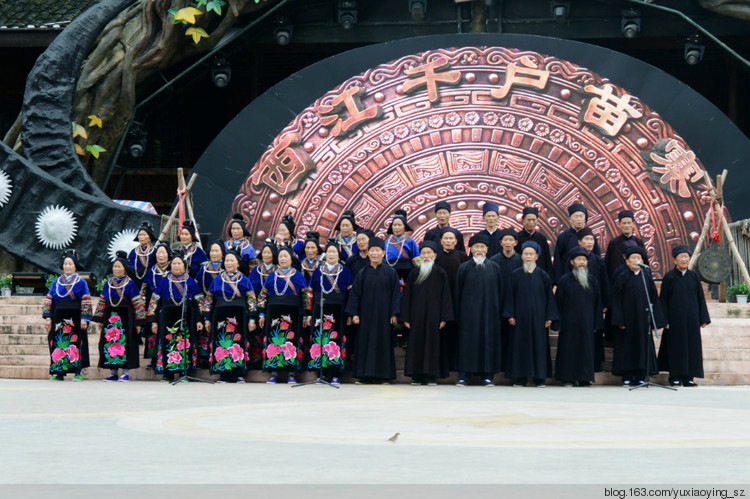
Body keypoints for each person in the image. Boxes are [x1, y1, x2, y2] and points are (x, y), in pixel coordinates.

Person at [344, 236, 401, 384]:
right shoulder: (362, 273)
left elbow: (396, 294)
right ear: (368, 253)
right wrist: (354, 313)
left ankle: (384, 376)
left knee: (383, 343)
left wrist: (394, 313)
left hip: (384, 316)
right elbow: (355, 294)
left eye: (377, 251)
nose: (374, 254)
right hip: (365, 315)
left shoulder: (390, 272)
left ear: (383, 253)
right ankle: (364, 376)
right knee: (364, 343)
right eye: (372, 251)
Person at [504, 241, 558, 387]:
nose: (528, 256)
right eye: (525, 254)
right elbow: (509, 296)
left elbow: (549, 298)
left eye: (531, 254)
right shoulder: (515, 275)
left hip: (539, 319)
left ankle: (539, 378)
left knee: (539, 347)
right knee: (519, 347)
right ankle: (520, 378)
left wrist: (549, 317)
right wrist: (510, 315)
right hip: (519, 319)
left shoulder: (544, 276)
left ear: (537, 256)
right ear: (522, 256)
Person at [610, 246, 666, 386]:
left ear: (643, 260)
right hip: (627, 320)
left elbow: (654, 298)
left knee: (643, 347)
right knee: (627, 348)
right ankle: (627, 376)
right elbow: (616, 300)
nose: (636, 260)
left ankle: (641, 375)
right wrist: (619, 320)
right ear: (627, 262)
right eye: (633, 258)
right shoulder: (622, 277)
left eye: (638, 258)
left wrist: (655, 322)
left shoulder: (646, 277)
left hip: (643, 319)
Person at [401, 241, 454, 385]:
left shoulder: (441, 273)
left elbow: (446, 297)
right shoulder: (414, 273)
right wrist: (405, 317)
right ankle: (416, 376)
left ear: (435, 256)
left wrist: (444, 317)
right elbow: (407, 296)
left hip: (434, 318)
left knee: (433, 345)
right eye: (423, 253)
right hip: (416, 317)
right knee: (416, 345)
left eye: (429, 253)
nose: (426, 256)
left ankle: (431, 376)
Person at [454, 233, 504, 386]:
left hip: (489, 315)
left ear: (487, 249)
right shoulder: (463, 268)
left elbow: (500, 292)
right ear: (471, 249)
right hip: (468, 316)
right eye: (476, 247)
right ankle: (464, 376)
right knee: (466, 344)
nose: (479, 250)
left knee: (487, 344)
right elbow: (458, 292)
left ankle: (487, 376)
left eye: (482, 247)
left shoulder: (495, 268)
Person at [146, 252, 204, 381]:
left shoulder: (191, 281)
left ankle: (184, 373)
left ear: (184, 266)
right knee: (168, 344)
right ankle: (168, 374)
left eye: (179, 263)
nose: (176, 266)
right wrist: (153, 321)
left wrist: (200, 319)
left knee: (186, 343)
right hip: (167, 317)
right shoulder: (163, 281)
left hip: (187, 316)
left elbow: (199, 302)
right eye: (174, 263)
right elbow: (154, 302)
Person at [658, 245, 710, 387]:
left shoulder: (694, 277)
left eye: (686, 256)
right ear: (674, 260)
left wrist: (703, 318)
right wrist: (664, 320)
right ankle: (674, 376)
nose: (683, 259)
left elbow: (700, 298)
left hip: (692, 320)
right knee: (675, 347)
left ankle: (689, 377)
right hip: (674, 321)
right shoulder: (669, 277)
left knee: (691, 347)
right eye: (680, 257)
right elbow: (663, 300)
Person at [202, 251, 257, 383]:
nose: (229, 263)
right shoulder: (217, 280)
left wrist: (252, 319)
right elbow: (209, 300)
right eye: (227, 261)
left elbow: (251, 300)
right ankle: (223, 374)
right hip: (220, 317)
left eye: (232, 260)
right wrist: (207, 318)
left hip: (240, 317)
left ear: (238, 263)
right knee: (222, 343)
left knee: (239, 343)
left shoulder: (244, 280)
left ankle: (239, 373)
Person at [553, 246, 604, 387]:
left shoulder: (593, 281)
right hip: (568, 324)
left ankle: (584, 378)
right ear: (572, 262)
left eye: (584, 260)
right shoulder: (564, 280)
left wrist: (596, 324)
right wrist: (558, 323)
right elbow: (558, 303)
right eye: (579, 259)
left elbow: (597, 304)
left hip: (587, 323)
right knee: (568, 350)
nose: (581, 262)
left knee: (586, 350)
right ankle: (567, 378)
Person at [258, 245, 310, 384]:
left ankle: (292, 374)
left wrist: (306, 315)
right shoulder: (272, 276)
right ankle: (274, 373)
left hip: (293, 313)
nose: (283, 259)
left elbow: (305, 296)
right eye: (280, 256)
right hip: (273, 314)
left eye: (285, 256)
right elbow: (263, 296)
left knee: (292, 341)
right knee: (275, 341)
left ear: (291, 259)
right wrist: (261, 313)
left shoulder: (298, 275)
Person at [92, 252, 146, 382]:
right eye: (115, 266)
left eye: (119, 267)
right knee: (111, 343)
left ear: (125, 269)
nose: (116, 269)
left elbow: (138, 303)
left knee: (126, 343)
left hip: (127, 318)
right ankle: (113, 372)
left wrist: (139, 322)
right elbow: (102, 301)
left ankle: (125, 372)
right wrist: (99, 319)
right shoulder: (108, 283)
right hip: (110, 318)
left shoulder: (131, 284)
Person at [309, 240, 354, 385]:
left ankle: (336, 374)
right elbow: (310, 293)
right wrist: (308, 313)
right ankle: (320, 374)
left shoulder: (345, 271)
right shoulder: (318, 270)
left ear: (338, 255)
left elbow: (350, 293)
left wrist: (349, 313)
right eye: (329, 252)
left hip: (339, 309)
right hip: (320, 309)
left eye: (334, 252)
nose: (332, 254)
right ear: (325, 254)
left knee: (337, 339)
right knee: (320, 339)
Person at [43, 250, 92, 381]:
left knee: (76, 342)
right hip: (58, 317)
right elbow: (49, 300)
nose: (68, 266)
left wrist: (85, 318)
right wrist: (48, 317)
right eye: (65, 264)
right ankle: (59, 372)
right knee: (59, 343)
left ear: (75, 266)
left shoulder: (81, 282)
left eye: (70, 264)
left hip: (75, 317)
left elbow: (86, 300)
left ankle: (78, 371)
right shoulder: (57, 282)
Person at [575, 227, 610, 372]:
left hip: (594, 303)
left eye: (592, 240)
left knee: (596, 333)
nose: (590, 242)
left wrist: (605, 302)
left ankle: (595, 365)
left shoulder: (597, 260)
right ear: (579, 242)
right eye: (587, 239)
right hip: (577, 303)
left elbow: (604, 281)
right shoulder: (573, 259)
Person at [435, 227, 470, 372]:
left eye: (451, 239)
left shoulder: (463, 257)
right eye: (446, 238)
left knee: (457, 333)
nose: (448, 241)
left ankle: (456, 365)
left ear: (456, 241)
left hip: (458, 300)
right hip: (440, 301)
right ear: (441, 241)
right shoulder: (435, 258)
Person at [489, 228, 522, 370]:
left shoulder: (521, 260)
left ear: (515, 242)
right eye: (505, 240)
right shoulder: (493, 261)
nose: (508, 243)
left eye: (511, 240)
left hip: (516, 305)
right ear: (501, 242)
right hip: (497, 302)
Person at [195, 241, 226, 366]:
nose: (214, 253)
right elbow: (197, 286)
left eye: (217, 251)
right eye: (212, 251)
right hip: (206, 302)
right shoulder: (204, 269)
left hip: (222, 302)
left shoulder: (226, 267)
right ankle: (204, 358)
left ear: (223, 253)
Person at [553, 203, 601, 284]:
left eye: (581, 216)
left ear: (585, 219)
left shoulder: (591, 237)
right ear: (570, 219)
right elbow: (558, 261)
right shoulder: (563, 237)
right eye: (576, 216)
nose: (579, 219)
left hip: (589, 278)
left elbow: (597, 258)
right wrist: (557, 282)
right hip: (568, 280)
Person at [140, 241, 171, 363]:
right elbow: (144, 289)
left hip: (168, 302)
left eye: (163, 253)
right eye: (158, 253)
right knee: (152, 330)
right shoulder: (151, 271)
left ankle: (165, 358)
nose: (161, 255)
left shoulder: (173, 268)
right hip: (152, 303)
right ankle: (154, 359)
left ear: (168, 255)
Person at [248, 240, 277, 369]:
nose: (265, 255)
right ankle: (256, 362)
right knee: (256, 334)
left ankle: (270, 361)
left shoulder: (278, 270)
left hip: (273, 304)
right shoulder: (255, 270)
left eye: (268, 253)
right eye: (264, 252)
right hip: (256, 304)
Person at [604, 210, 646, 281]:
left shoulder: (639, 243)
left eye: (629, 223)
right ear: (619, 224)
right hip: (616, 282)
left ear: (633, 224)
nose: (627, 226)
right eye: (624, 223)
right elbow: (607, 265)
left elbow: (644, 264)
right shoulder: (613, 243)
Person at [385, 209, 420, 284]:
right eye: (394, 225)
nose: (396, 227)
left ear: (404, 227)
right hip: (390, 273)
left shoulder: (410, 242)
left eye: (399, 225)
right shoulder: (387, 243)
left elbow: (416, 259)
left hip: (407, 274)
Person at [516, 207, 552, 276]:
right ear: (523, 221)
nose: (531, 222)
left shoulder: (542, 239)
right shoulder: (517, 238)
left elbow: (547, 260)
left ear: (537, 221)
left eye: (533, 220)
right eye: (529, 220)